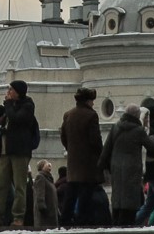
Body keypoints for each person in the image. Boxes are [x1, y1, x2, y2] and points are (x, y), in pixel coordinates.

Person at [0, 81, 38, 228]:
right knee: (0, 185)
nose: (8, 92)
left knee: (19, 186)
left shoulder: (27, 106)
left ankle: (18, 217)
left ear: (18, 91)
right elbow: (6, 124)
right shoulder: (11, 107)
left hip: (19, 151)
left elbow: (16, 119)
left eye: (11, 89)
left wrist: (8, 104)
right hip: (5, 151)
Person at [59, 88, 105, 228]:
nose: (93, 103)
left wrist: (71, 150)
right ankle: (83, 222)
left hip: (73, 162)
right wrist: (101, 156)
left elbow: (63, 137)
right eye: (92, 100)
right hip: (88, 163)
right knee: (86, 195)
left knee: (71, 194)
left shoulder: (68, 115)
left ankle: (65, 222)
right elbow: (95, 140)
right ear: (87, 101)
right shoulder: (91, 115)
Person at [30, 163, 57, 229]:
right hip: (45, 213)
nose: (50, 165)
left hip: (51, 211)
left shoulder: (49, 179)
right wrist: (42, 208)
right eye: (47, 163)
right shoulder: (40, 177)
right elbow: (40, 193)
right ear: (41, 167)